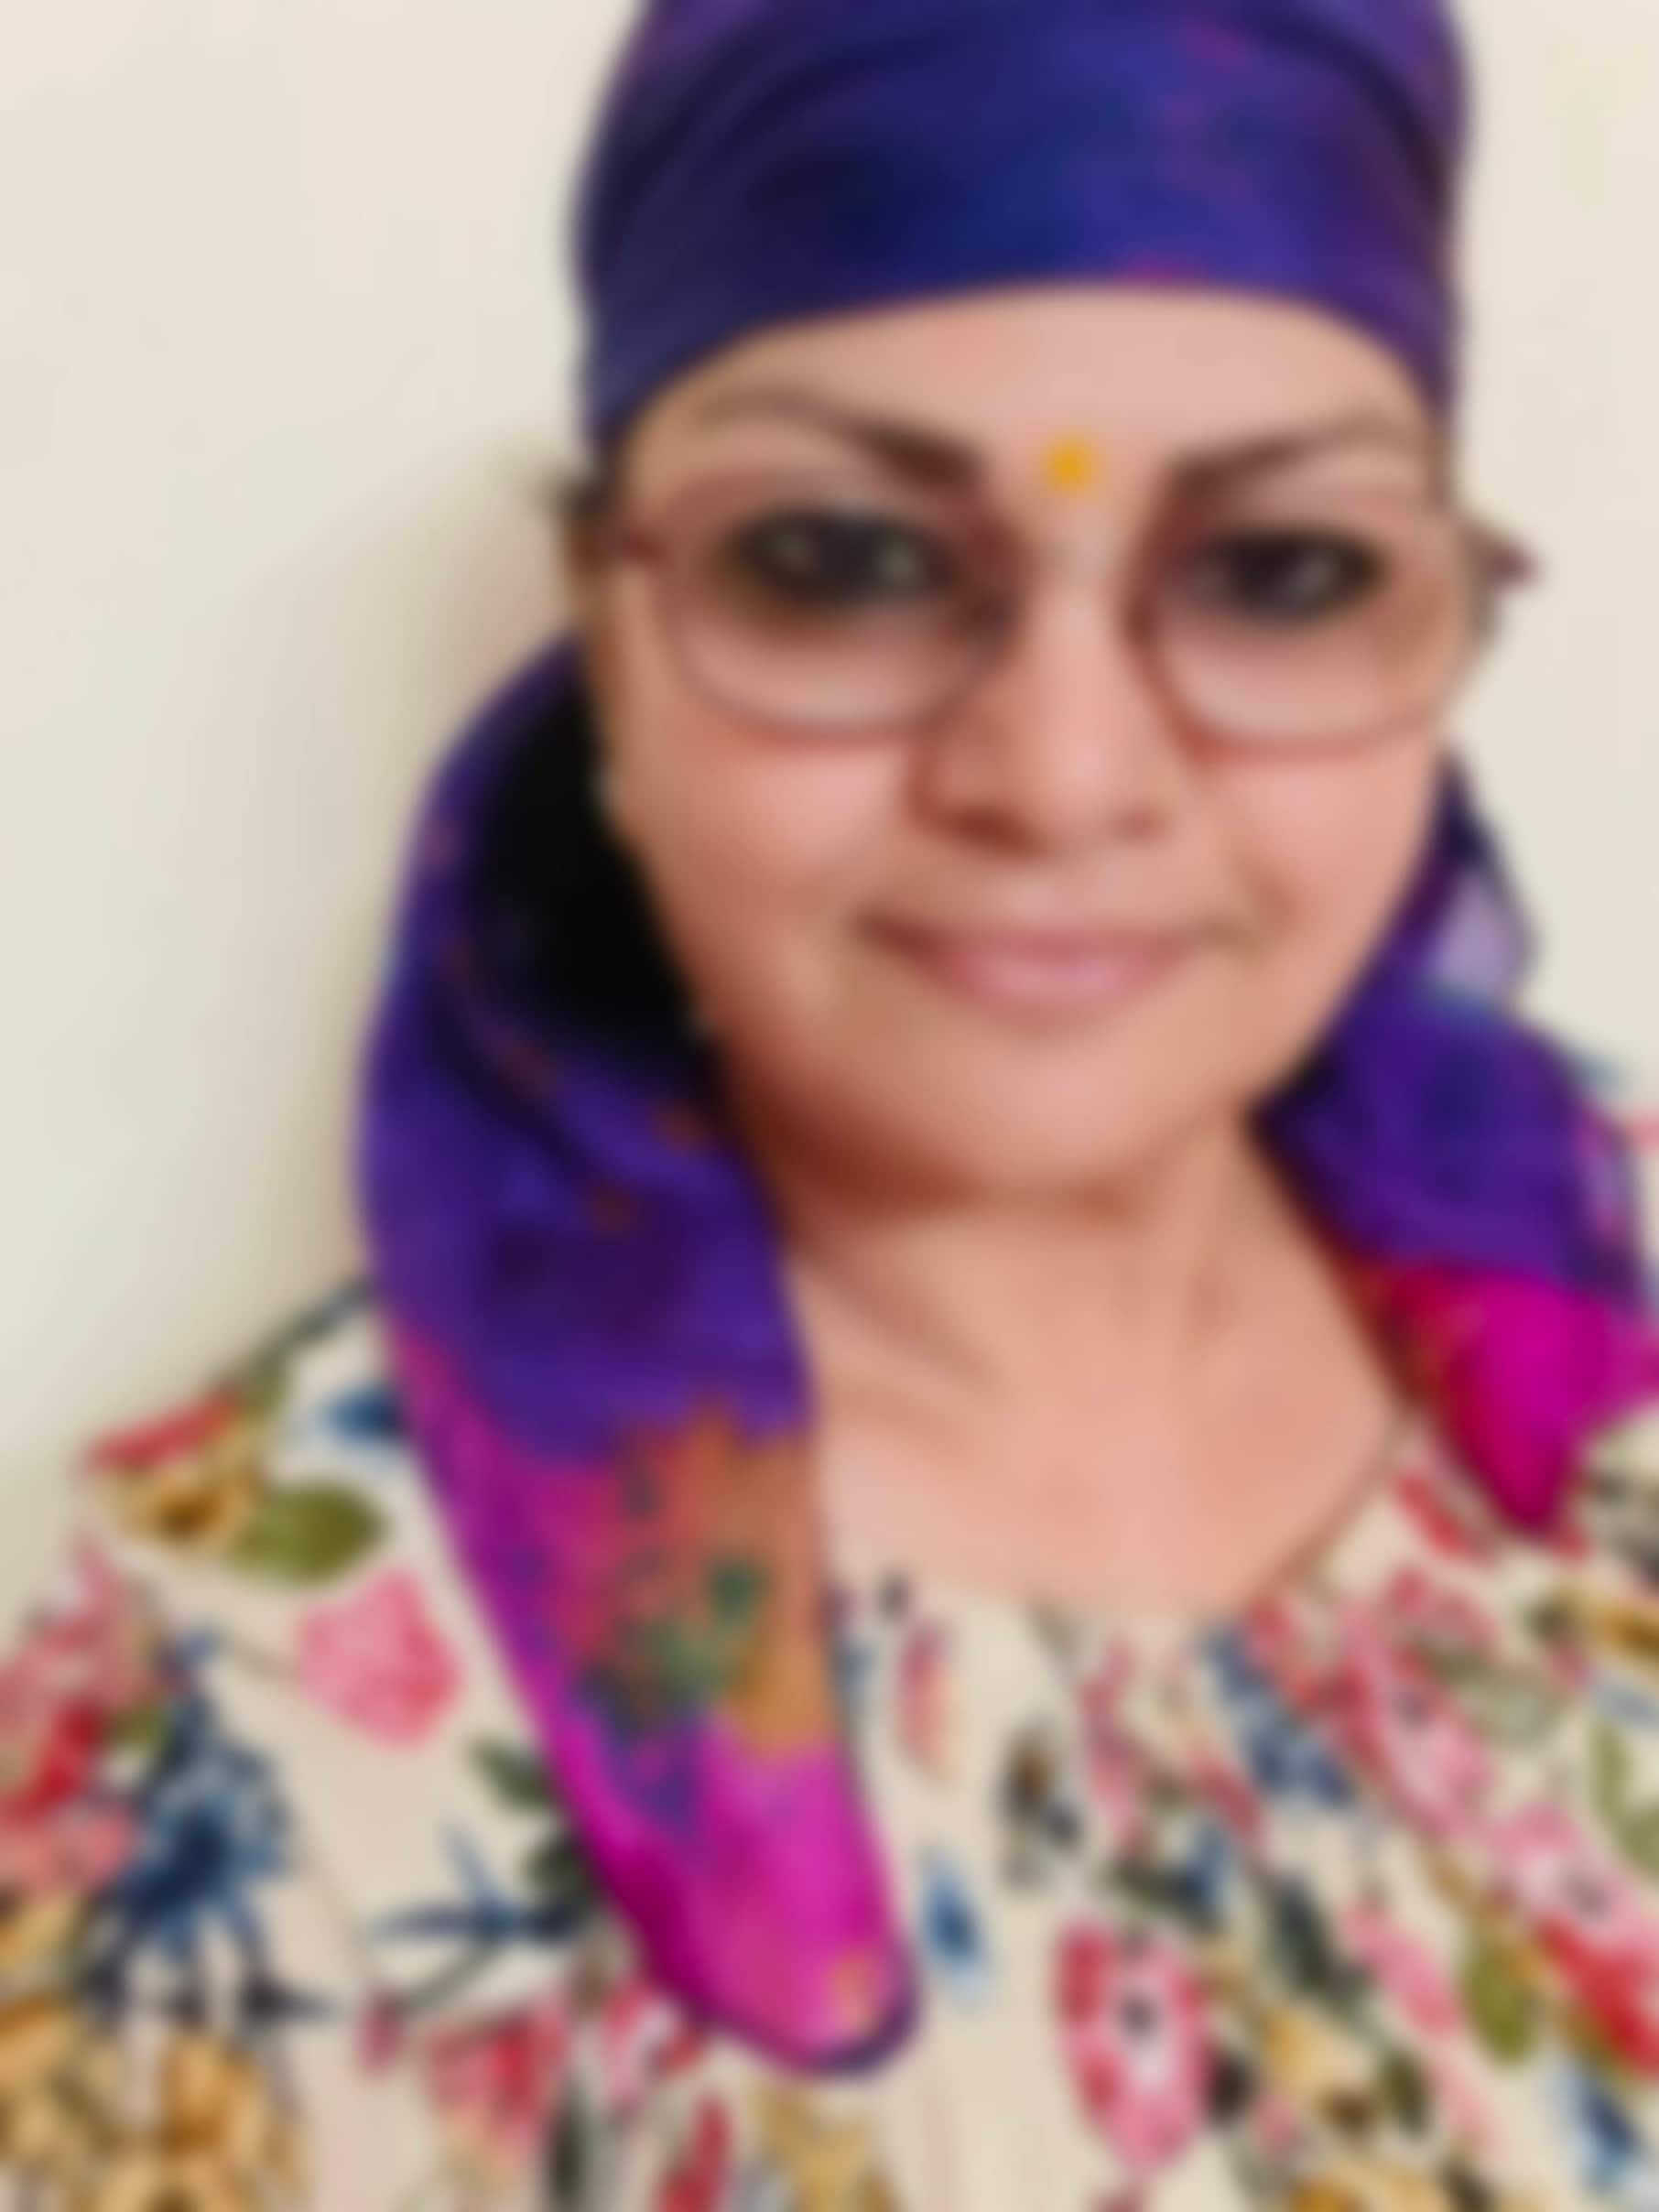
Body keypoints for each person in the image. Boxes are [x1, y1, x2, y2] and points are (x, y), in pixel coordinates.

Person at [7, 0, 1659, 2204]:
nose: (1062, 776)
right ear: (606, 628)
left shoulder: (1610, 1271)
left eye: (1283, 570)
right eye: (846, 560)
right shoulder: (232, 1734)